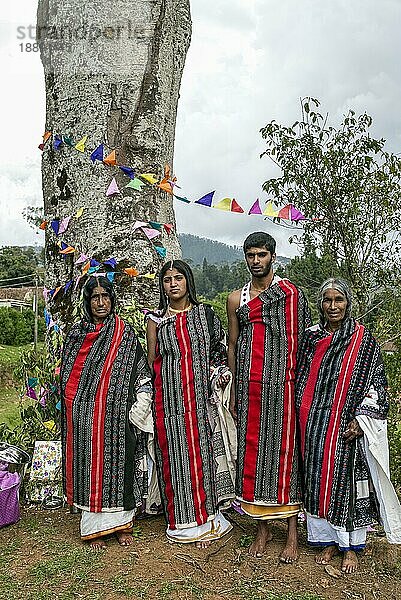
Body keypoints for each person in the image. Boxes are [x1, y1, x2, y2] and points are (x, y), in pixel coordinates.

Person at [296, 278, 401, 573]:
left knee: (347, 484)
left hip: (347, 424)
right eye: (327, 300)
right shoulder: (311, 337)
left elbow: (376, 380)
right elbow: (301, 376)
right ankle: (328, 541)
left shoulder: (362, 339)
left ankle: (351, 546)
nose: (333, 306)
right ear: (320, 304)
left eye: (338, 300)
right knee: (317, 481)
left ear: (348, 303)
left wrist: (361, 418)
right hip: (313, 423)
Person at [227, 232, 311, 562]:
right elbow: (233, 345)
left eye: (262, 254)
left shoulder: (290, 294)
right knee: (255, 457)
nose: (256, 260)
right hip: (251, 387)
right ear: (245, 257)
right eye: (250, 255)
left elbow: (301, 342)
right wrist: (233, 388)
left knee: (285, 456)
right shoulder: (237, 299)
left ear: (272, 256)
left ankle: (291, 533)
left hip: (285, 386)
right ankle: (262, 530)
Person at [146, 260, 236, 548]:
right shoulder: (155, 320)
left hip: (200, 402)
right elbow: (152, 362)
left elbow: (218, 353)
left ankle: (210, 518)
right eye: (167, 279)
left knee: (203, 457)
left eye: (178, 278)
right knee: (176, 459)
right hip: (168, 402)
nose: (173, 284)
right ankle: (183, 523)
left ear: (188, 282)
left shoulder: (205, 315)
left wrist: (220, 376)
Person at [61, 276, 153, 550]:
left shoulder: (123, 334)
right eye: (94, 297)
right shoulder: (77, 334)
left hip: (117, 416)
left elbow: (140, 370)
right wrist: (76, 405)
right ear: (87, 302)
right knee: (89, 469)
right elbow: (68, 376)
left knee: (118, 467)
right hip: (86, 417)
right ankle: (95, 529)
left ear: (113, 300)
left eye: (105, 296)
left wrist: (140, 400)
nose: (101, 302)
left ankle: (122, 525)